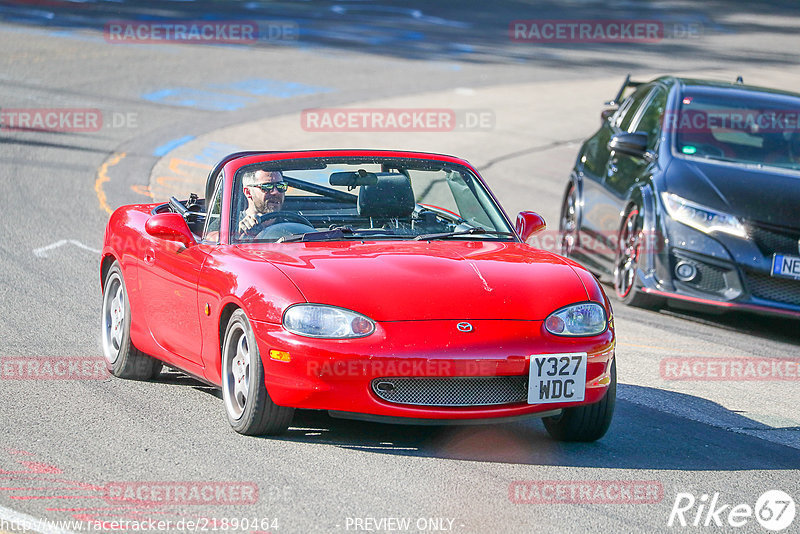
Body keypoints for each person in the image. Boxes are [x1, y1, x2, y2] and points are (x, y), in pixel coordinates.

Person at [238, 169, 288, 237]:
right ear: (248, 192)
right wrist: (238, 235)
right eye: (267, 187)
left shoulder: (291, 225)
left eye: (280, 186)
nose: (276, 192)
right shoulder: (231, 226)